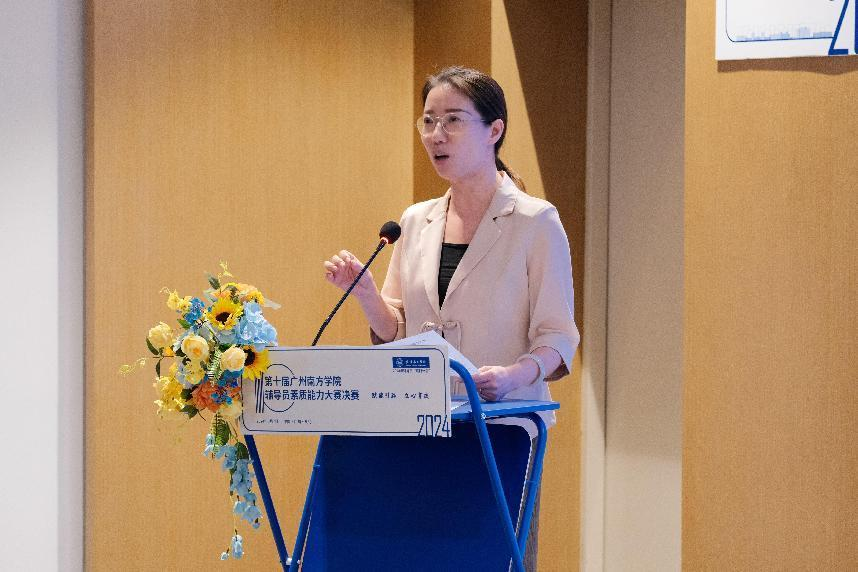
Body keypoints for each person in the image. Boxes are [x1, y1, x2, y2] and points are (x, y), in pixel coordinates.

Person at [323, 66, 579, 570]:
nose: (436, 135)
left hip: (503, 430)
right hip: (423, 428)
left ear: (494, 130)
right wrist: (367, 294)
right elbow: (396, 330)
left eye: (453, 120)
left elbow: (558, 337)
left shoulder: (535, 221)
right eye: (428, 120)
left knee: (494, 560)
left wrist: (512, 376)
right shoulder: (415, 221)